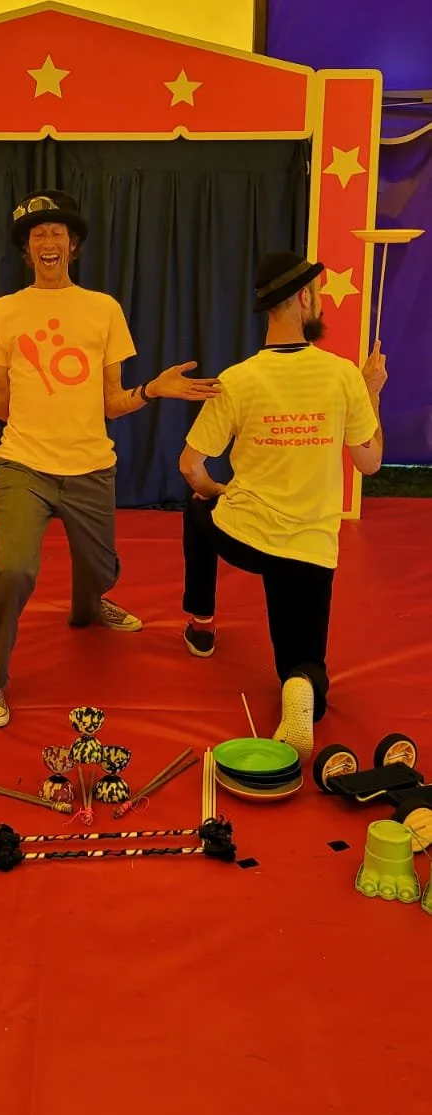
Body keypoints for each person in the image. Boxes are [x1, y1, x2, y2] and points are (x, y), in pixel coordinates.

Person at [0, 189, 220, 728]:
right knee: (15, 569)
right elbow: (2, 404)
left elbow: (112, 402)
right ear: (27, 249)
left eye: (57, 234)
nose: (48, 242)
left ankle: (90, 605)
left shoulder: (103, 309)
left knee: (101, 569)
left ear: (72, 245)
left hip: (92, 467)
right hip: (23, 465)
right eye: (37, 235)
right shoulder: (3, 312)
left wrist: (153, 391)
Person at [178, 250, 386, 760]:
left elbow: (190, 465)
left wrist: (214, 491)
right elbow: (370, 463)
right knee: (304, 663)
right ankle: (299, 687)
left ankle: (201, 623)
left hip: (244, 536)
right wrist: (372, 391)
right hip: (310, 550)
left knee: (197, 511)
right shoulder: (343, 377)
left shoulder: (238, 378)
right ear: (302, 299)